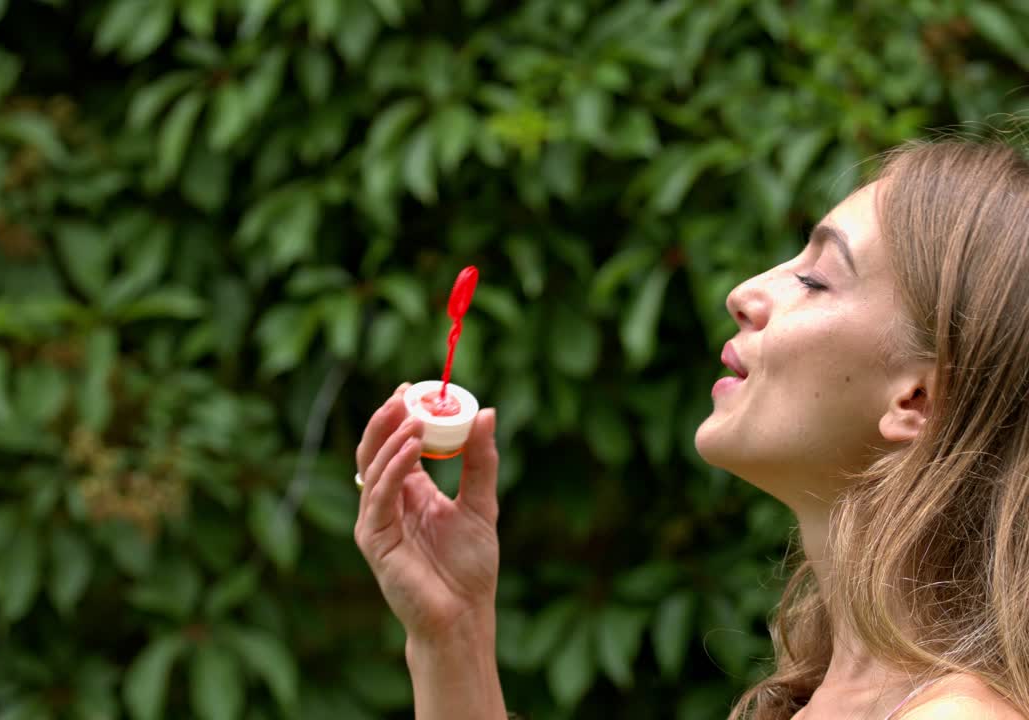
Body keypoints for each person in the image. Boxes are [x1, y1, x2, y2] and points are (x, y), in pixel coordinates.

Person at [353, 139, 1029, 719]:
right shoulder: (837, 697)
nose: (744, 293)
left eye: (817, 278)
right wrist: (454, 633)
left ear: (915, 400)